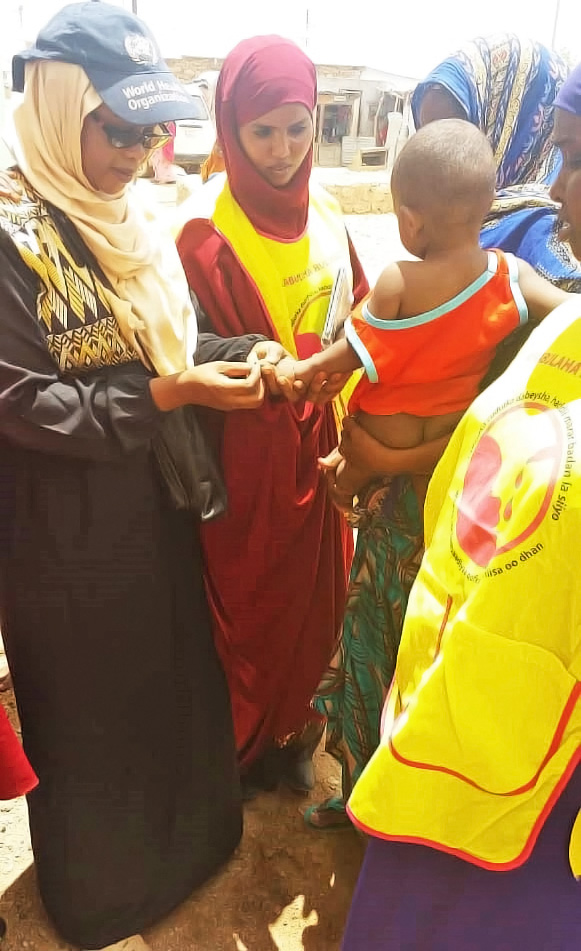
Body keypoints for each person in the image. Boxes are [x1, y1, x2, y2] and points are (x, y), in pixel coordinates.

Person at [0, 4, 269, 949]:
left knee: (167, 682)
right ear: (58, 106)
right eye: (118, 128)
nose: (138, 151)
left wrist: (254, 354)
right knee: (90, 710)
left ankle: (191, 844)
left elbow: (177, 344)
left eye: (151, 131)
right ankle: (107, 892)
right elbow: (22, 404)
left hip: (154, 509)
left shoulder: (132, 218)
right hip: (59, 539)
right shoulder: (9, 232)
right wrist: (164, 395)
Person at [340, 64, 581, 951]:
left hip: (523, 706)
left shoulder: (482, 270)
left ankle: (370, 788)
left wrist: (377, 453)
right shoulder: (530, 275)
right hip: (443, 551)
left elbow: (354, 358)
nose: (552, 189)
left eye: (569, 157)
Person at [175, 35, 369, 795]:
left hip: (321, 453)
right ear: (230, 127)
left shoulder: (325, 210)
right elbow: (177, 341)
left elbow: (359, 311)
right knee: (249, 606)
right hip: (247, 460)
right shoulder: (203, 231)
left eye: (298, 125)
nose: (284, 149)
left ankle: (295, 731)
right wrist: (258, 355)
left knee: (318, 604)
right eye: (263, 131)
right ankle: (242, 744)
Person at [271, 119, 569, 512]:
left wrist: (308, 368)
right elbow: (570, 312)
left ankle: (347, 498)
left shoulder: (398, 280)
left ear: (410, 221)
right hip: (451, 429)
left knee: (345, 477)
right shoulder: (514, 277)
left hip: (387, 426)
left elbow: (355, 351)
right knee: (427, 512)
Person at [412, 33, 581, 291]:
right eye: (427, 134)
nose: (438, 159)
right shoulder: (451, 226)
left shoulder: (547, 237)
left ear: (512, 125)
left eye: (456, 137)